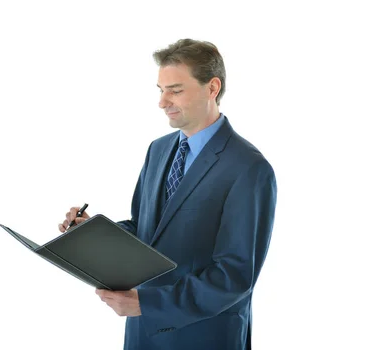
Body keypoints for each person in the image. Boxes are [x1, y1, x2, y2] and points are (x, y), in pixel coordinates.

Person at [58, 38, 277, 350]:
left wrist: (146, 303)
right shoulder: (159, 149)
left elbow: (234, 276)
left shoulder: (249, 168)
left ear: (212, 88)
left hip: (204, 337)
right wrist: (92, 233)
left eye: (175, 90)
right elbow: (145, 231)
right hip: (142, 335)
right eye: (160, 90)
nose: (163, 102)